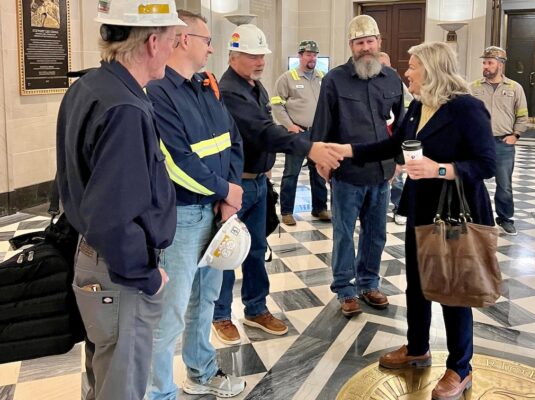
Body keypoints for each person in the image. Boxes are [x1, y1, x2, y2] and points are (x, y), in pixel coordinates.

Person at [320, 41, 496, 400]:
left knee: (453, 290)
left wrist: (440, 169)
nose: (407, 72)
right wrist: (348, 150)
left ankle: (460, 367)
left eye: (413, 66)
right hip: (421, 209)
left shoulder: (467, 108)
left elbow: (486, 164)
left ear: (431, 70)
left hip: (455, 214)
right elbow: (393, 146)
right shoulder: (419, 106)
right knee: (416, 283)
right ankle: (417, 348)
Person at [55, 2, 185, 399]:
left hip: (96, 258)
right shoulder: (125, 108)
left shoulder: (90, 86)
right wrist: (147, 276)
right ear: (152, 42)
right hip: (119, 271)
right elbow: (114, 217)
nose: (173, 49)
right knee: (122, 387)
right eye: (172, 39)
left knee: (105, 378)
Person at [212, 24, 343, 345]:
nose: (260, 61)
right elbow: (262, 131)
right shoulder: (230, 91)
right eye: (252, 56)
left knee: (257, 249)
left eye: (262, 55)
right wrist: (309, 147)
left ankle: (256, 309)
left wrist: (267, 169)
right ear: (233, 56)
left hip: (258, 183)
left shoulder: (254, 87)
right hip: (235, 187)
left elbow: (264, 128)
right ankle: (220, 314)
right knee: (227, 254)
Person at [145, 10, 245, 399]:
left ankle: (201, 372)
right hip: (183, 215)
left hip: (216, 211)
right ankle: (158, 391)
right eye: (207, 41)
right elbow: (176, 161)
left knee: (206, 299)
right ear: (184, 40)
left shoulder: (204, 85)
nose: (211, 49)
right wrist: (225, 191)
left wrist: (230, 193)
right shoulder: (158, 91)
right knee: (169, 312)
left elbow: (232, 139)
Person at [311, 15, 404, 316]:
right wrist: (322, 162)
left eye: (370, 41)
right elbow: (322, 125)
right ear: (351, 46)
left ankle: (369, 284)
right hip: (347, 174)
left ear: (379, 42)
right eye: (359, 42)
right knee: (343, 233)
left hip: (381, 173)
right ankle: (345, 289)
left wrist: (398, 162)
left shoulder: (392, 79)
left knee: (376, 234)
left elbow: (402, 126)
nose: (365, 47)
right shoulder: (334, 80)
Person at [470, 46, 529, 236]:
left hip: (503, 144)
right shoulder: (473, 87)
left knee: (504, 186)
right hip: (478, 144)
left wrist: (515, 135)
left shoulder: (514, 88)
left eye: (490, 63)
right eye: (484, 63)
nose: (485, 66)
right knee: (473, 181)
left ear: (500, 65)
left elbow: (522, 115)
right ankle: (475, 218)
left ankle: (505, 219)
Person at [271, 40, 330, 226]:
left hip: (318, 133)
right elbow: (276, 104)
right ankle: (287, 211)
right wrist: (289, 125)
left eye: (315, 55)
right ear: (300, 55)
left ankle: (319, 208)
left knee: (319, 171)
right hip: (298, 133)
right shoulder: (287, 78)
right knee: (291, 173)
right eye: (308, 54)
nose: (312, 58)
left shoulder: (323, 77)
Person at [378, 51, 413, 226]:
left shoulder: (397, 83)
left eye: (386, 65)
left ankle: (399, 208)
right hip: (376, 141)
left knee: (397, 178)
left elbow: (407, 104)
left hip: (394, 138)